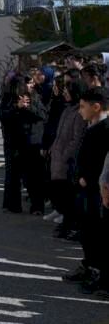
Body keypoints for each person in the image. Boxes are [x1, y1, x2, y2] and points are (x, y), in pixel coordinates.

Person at [63, 87, 109, 295]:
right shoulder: (93, 125)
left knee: (97, 233)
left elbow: (102, 163)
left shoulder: (106, 129)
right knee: (87, 231)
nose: (80, 111)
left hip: (97, 190)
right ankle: (89, 265)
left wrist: (88, 179)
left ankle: (98, 272)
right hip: (86, 188)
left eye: (83, 107)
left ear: (96, 106)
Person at [0, 75, 47, 214]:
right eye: (27, 83)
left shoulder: (35, 97)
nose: (30, 86)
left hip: (31, 141)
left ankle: (37, 206)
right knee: (12, 175)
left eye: (31, 83)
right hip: (13, 142)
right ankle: (12, 205)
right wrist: (16, 107)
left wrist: (28, 107)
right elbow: (2, 116)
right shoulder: (8, 98)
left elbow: (42, 115)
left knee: (33, 176)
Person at [47, 78, 86, 238]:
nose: (64, 92)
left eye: (67, 89)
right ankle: (66, 223)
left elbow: (76, 138)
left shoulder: (79, 111)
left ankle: (69, 225)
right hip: (57, 155)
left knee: (67, 195)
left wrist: (65, 155)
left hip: (67, 161)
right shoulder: (67, 109)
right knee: (57, 192)